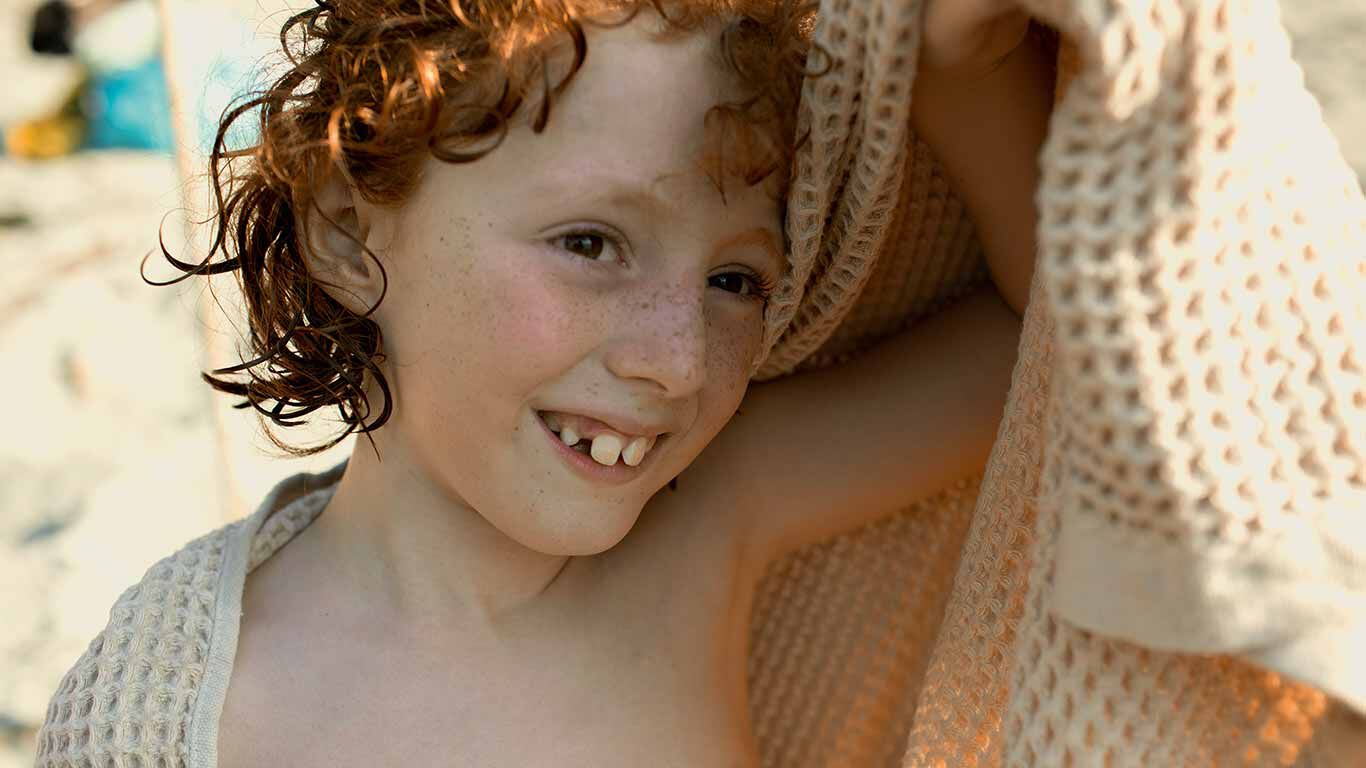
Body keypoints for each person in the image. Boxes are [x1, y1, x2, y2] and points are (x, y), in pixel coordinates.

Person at [35, 0, 1056, 764]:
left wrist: (960, 74)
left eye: (734, 279)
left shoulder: (708, 518)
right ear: (349, 231)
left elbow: (1045, 336)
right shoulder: (189, 714)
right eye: (590, 243)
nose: (676, 358)